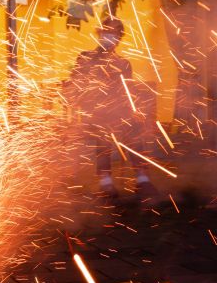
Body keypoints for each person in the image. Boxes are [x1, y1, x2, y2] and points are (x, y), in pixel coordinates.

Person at [67, 16, 156, 199]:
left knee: (135, 127)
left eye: (115, 33)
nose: (111, 36)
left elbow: (127, 92)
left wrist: (133, 110)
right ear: (100, 33)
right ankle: (105, 182)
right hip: (94, 114)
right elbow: (77, 87)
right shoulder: (86, 58)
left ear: (119, 38)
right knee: (104, 127)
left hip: (118, 113)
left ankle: (142, 178)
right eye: (107, 32)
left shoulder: (123, 63)